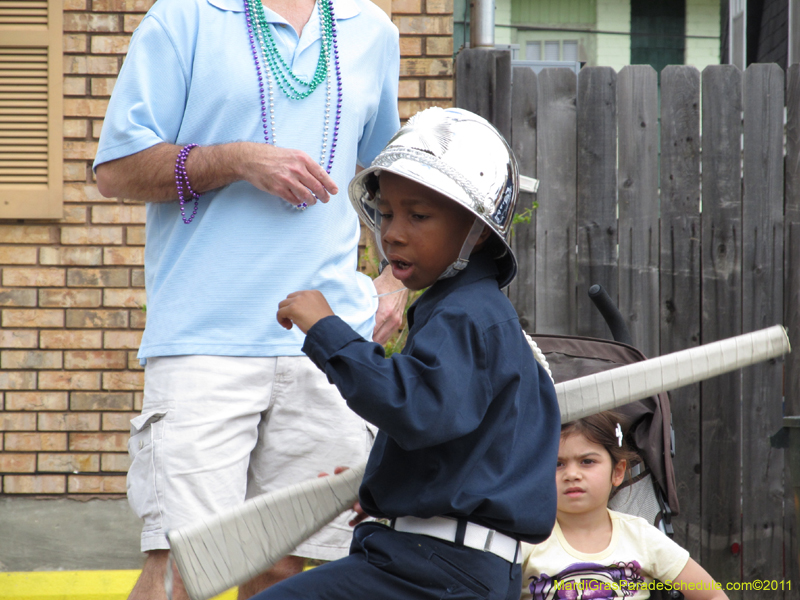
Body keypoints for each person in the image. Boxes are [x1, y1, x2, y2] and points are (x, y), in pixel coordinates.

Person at [92, 0, 404, 597]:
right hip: (203, 344)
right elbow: (116, 170)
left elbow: (390, 177)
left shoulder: (372, 29)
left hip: (327, 345)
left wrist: (393, 281)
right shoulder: (182, 18)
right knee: (184, 565)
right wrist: (235, 159)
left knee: (284, 568)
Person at [260, 107, 561, 600]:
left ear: (478, 230)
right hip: (451, 565)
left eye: (418, 215)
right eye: (385, 213)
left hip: (434, 571)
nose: (393, 232)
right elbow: (459, 443)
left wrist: (327, 329)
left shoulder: (468, 315)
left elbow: (416, 408)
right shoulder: (479, 318)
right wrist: (392, 489)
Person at [521, 411, 728, 600]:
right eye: (557, 464)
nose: (572, 474)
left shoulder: (640, 537)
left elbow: (712, 595)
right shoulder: (526, 542)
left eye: (587, 461)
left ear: (618, 472)